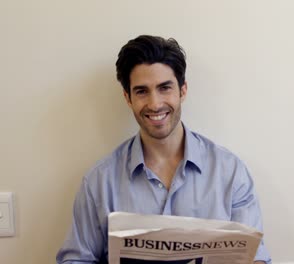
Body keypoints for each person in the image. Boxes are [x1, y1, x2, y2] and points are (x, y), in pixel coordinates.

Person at [56, 35, 271, 264]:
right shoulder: (99, 181)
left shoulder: (230, 172)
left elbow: (256, 257)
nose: (155, 104)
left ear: (183, 90)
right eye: (141, 91)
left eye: (164, 88)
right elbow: (75, 260)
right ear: (127, 98)